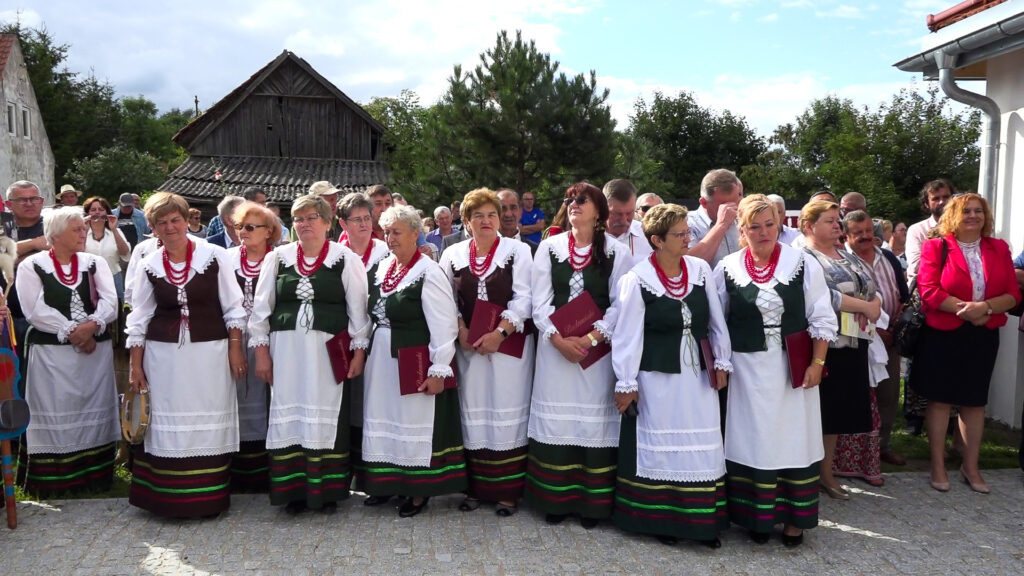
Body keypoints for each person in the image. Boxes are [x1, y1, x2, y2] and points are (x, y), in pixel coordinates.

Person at [713, 194, 837, 547]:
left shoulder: (801, 263)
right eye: (754, 226)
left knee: (794, 438)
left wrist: (817, 363)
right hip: (747, 371)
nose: (764, 232)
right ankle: (757, 518)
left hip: (791, 369)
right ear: (742, 230)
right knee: (753, 441)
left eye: (770, 224)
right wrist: (721, 363)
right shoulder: (727, 268)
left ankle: (795, 520)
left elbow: (822, 316)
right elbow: (718, 324)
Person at [611, 203, 730, 548]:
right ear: (657, 240)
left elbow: (715, 320)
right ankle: (663, 519)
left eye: (687, 231)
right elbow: (627, 335)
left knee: (700, 448)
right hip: (658, 378)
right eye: (679, 234)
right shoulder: (637, 279)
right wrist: (626, 382)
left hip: (698, 378)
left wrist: (722, 361)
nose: (687, 238)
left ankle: (702, 523)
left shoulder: (700, 270)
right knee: (662, 447)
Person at [125, 192, 247, 518]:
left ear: (186, 220)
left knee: (207, 416)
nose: (170, 227)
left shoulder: (214, 256)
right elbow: (139, 318)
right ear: (152, 228)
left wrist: (236, 348)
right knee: (167, 418)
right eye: (161, 223)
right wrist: (135, 366)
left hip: (210, 355)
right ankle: (167, 500)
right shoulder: (148, 264)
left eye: (175, 220)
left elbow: (233, 307)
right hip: (163, 359)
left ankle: (207, 499)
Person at [250, 195, 370, 514]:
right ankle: (293, 492)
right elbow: (261, 310)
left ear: (328, 223)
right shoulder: (278, 258)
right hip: (286, 354)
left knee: (326, 414)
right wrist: (261, 353)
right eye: (298, 218)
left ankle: (326, 492)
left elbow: (359, 312)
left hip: (328, 356)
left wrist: (359, 353)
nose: (304, 224)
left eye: (311, 217)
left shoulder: (345, 259)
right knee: (288, 414)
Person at [525, 182, 631, 529]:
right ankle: (555, 499)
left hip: (595, 353)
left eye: (582, 199)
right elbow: (539, 301)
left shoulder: (617, 252)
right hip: (555, 350)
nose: (574, 203)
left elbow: (620, 304)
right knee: (558, 422)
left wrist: (591, 337)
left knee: (592, 424)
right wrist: (557, 340)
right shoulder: (549, 247)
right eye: (569, 199)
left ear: (598, 210)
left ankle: (591, 504)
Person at [909, 193, 1020, 494]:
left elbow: (1013, 294)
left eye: (978, 211)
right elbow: (929, 290)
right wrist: (968, 310)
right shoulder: (936, 246)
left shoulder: (998, 248)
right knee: (940, 399)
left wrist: (985, 308)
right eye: (966, 211)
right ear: (953, 216)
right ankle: (938, 465)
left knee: (974, 401)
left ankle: (971, 467)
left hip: (983, 332)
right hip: (943, 332)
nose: (973, 216)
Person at [360, 205, 464, 518]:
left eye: (397, 232)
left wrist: (438, 369)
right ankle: (385, 483)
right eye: (386, 232)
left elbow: (445, 324)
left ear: (415, 234)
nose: (390, 238)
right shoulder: (382, 267)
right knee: (385, 416)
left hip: (414, 357)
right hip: (382, 357)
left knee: (412, 420)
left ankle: (418, 489)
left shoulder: (428, 271)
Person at [439, 188, 534, 517]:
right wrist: (461, 329)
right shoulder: (452, 254)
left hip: (509, 349)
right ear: (466, 221)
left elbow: (525, 298)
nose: (486, 220)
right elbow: (445, 298)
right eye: (478, 215)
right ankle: (475, 489)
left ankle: (507, 492)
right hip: (469, 348)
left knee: (505, 411)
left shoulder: (518, 251)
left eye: (491, 214)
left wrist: (499, 333)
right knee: (473, 411)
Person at [16, 207, 119, 497]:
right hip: (52, 355)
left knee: (92, 404)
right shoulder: (32, 265)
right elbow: (34, 309)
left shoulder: (94, 262)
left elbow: (110, 301)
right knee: (56, 407)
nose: (84, 233)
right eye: (77, 229)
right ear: (56, 235)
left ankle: (96, 476)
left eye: (83, 229)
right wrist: (74, 332)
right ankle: (55, 481)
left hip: (94, 354)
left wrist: (92, 326)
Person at [800, 200, 881, 500]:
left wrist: (875, 304)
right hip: (825, 346)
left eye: (838, 220)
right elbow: (823, 295)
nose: (837, 225)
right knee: (820, 411)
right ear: (809, 226)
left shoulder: (845, 254)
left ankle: (825, 473)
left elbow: (870, 284)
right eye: (829, 221)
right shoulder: (803, 257)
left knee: (836, 414)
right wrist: (864, 307)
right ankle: (806, 475)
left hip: (853, 343)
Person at [844, 210, 909, 469]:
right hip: (858, 338)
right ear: (846, 236)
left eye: (868, 230)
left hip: (891, 338)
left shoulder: (888, 257)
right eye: (858, 232)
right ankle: (855, 453)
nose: (865, 236)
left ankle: (883, 447)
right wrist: (876, 330)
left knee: (889, 394)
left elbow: (902, 293)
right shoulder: (843, 263)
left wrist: (896, 323)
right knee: (858, 396)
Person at [225, 202, 281, 493]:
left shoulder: (281, 259)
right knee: (235, 398)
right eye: (239, 227)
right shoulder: (226, 259)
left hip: (271, 342)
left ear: (269, 231)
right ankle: (237, 474)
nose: (242, 232)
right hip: (233, 340)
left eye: (250, 227)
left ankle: (266, 474)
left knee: (267, 401)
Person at [336, 192, 390, 482]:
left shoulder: (385, 252)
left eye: (367, 218)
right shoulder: (334, 254)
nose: (364, 224)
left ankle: (372, 472)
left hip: (377, 339)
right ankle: (345, 469)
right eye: (356, 219)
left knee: (372, 403)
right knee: (345, 403)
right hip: (340, 340)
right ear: (343, 224)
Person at [688, 169, 742, 268]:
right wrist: (721, 225)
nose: (733, 209)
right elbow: (689, 264)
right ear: (704, 203)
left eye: (735, 201)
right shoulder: (687, 223)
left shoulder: (742, 218)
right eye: (724, 205)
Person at [81, 197, 131, 303]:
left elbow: (125, 253)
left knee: (116, 307)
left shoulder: (116, 231)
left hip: (113, 277)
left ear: (107, 213)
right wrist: (84, 230)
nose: (97, 212)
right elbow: (78, 253)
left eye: (101, 209)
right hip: (88, 279)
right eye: (93, 210)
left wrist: (113, 229)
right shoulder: (81, 233)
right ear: (87, 213)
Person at [906, 179, 955, 281]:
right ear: (926, 204)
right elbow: (916, 266)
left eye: (946, 197)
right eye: (936, 199)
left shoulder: (963, 228)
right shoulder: (917, 230)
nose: (942, 202)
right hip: (925, 285)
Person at [603, 179, 653, 267]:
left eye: (629, 213)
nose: (623, 220)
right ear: (603, 208)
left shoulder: (648, 234)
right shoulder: (588, 235)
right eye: (617, 214)